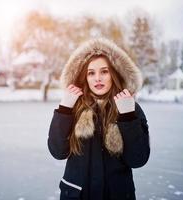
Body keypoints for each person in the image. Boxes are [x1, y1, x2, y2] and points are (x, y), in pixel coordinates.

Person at [47, 38, 150, 200]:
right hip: (77, 194)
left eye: (104, 71)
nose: (97, 78)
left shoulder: (130, 107)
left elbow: (138, 159)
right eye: (91, 73)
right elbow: (58, 152)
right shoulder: (73, 106)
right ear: (84, 77)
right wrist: (64, 109)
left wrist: (128, 116)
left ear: (114, 73)